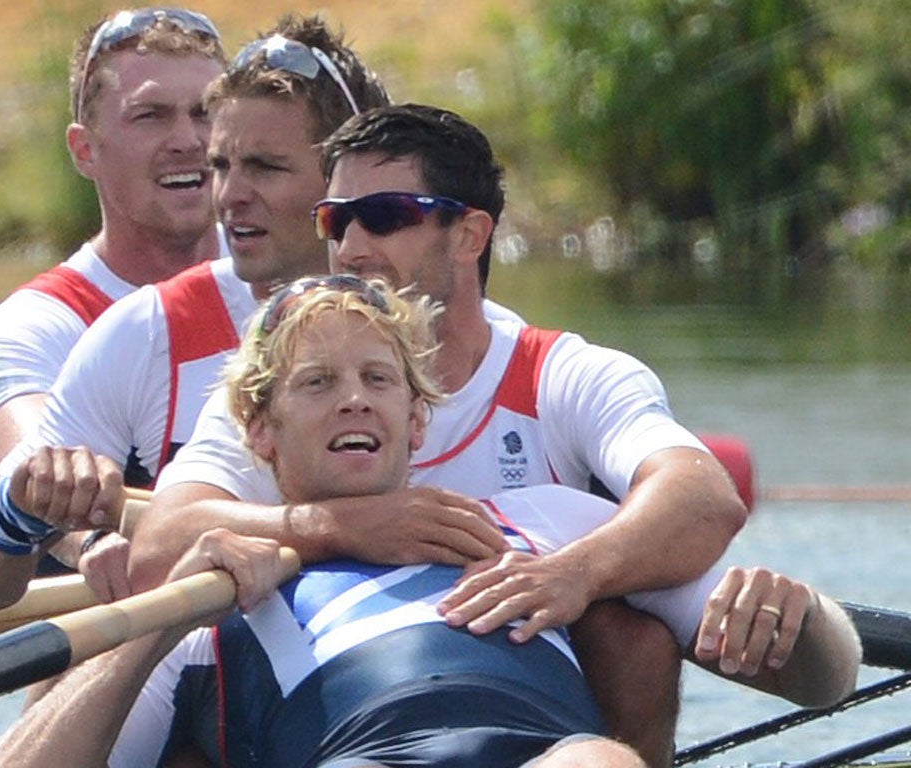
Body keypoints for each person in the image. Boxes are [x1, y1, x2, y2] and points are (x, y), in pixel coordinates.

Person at [0, 278, 859, 768]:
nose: (354, 398)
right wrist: (156, 620)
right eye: (317, 384)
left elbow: (828, 680)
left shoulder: (552, 523)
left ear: (416, 417)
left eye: (379, 378)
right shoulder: (217, 580)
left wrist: (796, 616)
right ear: (261, 429)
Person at [127, 104, 751, 767]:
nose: (352, 246)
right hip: (341, 722)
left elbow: (705, 499)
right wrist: (341, 526)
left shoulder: (563, 375)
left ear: (469, 234)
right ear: (267, 425)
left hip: (537, 719)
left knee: (629, 641)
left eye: (387, 215)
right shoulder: (275, 388)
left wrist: (578, 574)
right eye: (335, 220)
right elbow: (158, 547)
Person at [0, 14, 393, 609]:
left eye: (203, 114)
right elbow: (56, 482)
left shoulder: (401, 308)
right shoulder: (52, 329)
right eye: (152, 116)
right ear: (85, 149)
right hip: (154, 619)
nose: (191, 143)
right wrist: (87, 535)